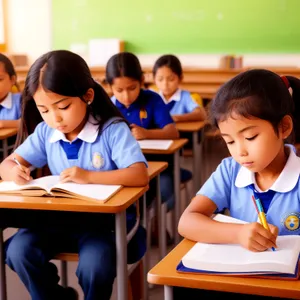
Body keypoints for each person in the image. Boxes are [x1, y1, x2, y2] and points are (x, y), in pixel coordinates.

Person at [0, 50, 149, 300]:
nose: (55, 118)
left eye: (63, 106)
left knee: (95, 266)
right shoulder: (46, 132)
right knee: (18, 252)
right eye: (44, 110)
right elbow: (6, 163)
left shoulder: (112, 130)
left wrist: (88, 176)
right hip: (56, 219)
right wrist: (14, 171)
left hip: (102, 225)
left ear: (87, 95)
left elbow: (139, 175)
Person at [177, 69, 300, 299]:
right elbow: (187, 221)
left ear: (284, 127)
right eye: (230, 141)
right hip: (236, 282)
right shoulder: (230, 170)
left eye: (250, 137)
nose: (240, 152)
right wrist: (238, 234)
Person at [153, 54, 206, 122]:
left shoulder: (185, 97)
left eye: (171, 79)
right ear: (154, 79)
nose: (165, 84)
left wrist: (176, 118)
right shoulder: (152, 96)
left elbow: (201, 114)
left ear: (180, 78)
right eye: (160, 79)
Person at [0, 53, 21, 128]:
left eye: (0, 79)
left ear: (12, 80)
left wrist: (3, 124)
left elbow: (31, 123)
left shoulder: (21, 101)